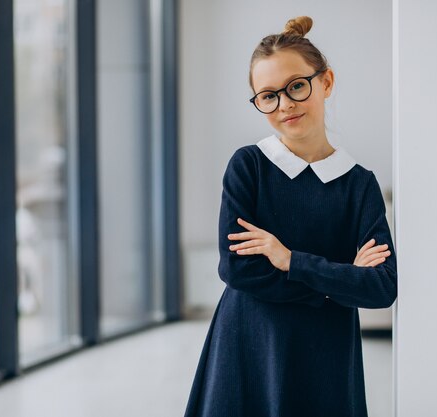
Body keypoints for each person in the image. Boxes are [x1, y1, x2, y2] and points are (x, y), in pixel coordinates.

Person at [183, 15, 397, 417]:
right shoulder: (249, 166)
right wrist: (337, 280)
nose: (285, 105)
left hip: (325, 355)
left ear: (326, 82)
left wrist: (290, 259)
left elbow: (381, 288)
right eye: (268, 96)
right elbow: (237, 270)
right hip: (250, 346)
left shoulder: (359, 185)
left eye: (297, 86)